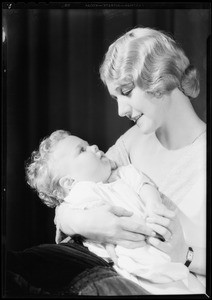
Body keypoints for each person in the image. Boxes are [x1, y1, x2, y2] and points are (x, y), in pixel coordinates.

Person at [6, 26, 206, 296]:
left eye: (126, 91)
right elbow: (71, 193)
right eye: (115, 98)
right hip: (110, 268)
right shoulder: (132, 141)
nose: (122, 110)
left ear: (161, 77)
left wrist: (187, 254)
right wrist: (87, 223)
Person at [26, 129, 191, 286]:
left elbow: (144, 185)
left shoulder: (122, 173)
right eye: (82, 150)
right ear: (69, 183)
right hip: (121, 260)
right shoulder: (82, 192)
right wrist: (86, 223)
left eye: (88, 144)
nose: (94, 147)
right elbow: (63, 214)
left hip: (160, 246)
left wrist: (153, 203)